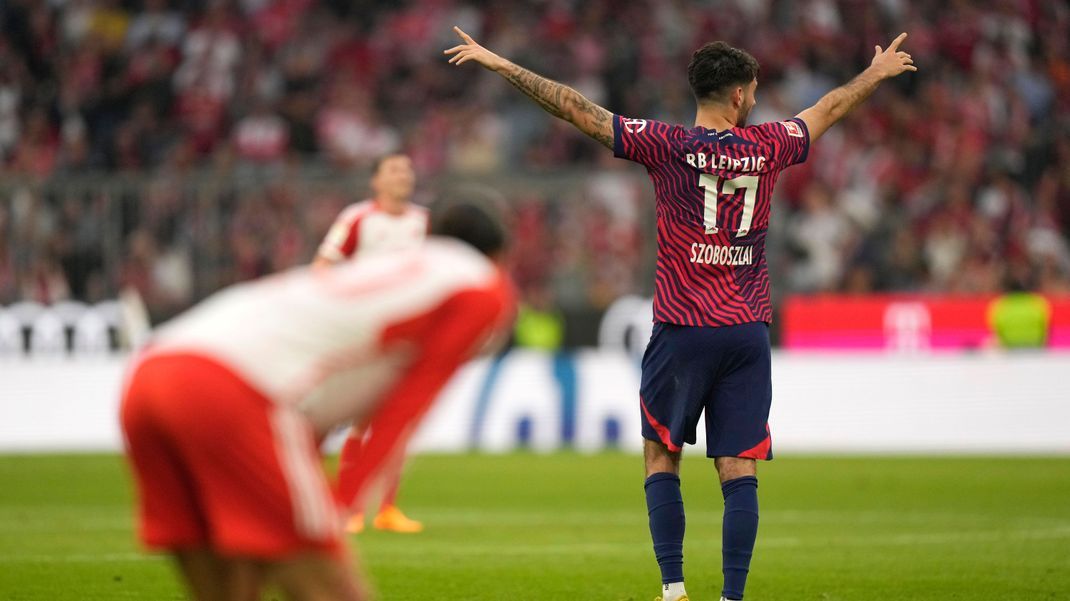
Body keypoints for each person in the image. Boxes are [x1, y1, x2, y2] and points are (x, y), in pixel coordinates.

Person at [446, 26, 916, 601]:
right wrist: (876, 73)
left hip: (683, 326)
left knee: (660, 455)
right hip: (746, 328)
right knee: (739, 467)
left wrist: (498, 61)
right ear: (740, 96)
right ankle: (733, 597)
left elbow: (573, 107)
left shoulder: (665, 143)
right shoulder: (768, 145)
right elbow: (829, 107)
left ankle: (674, 590)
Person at [120, 199, 513, 600]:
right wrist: (344, 502)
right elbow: (406, 408)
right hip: (231, 388)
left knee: (229, 589)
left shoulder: (391, 268)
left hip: (152, 371)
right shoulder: (482, 288)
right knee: (332, 590)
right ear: (498, 257)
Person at [314, 152, 430, 534]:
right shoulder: (357, 218)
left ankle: (386, 509)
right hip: (364, 331)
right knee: (363, 418)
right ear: (375, 181)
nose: (403, 176)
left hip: (408, 334)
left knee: (397, 419)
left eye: (407, 170)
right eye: (394, 169)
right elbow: (323, 266)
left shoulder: (423, 223)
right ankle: (348, 508)